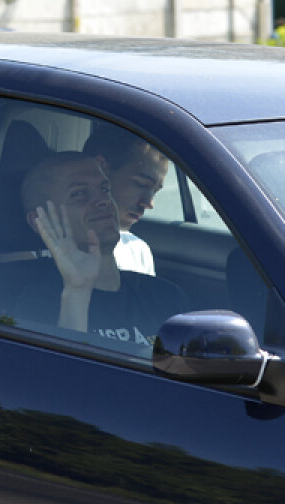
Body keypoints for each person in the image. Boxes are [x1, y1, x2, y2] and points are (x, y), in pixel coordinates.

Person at [13, 151, 187, 350]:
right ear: (39, 221)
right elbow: (62, 376)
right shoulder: (36, 307)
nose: (104, 200)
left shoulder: (166, 297)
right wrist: (77, 290)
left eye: (105, 189)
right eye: (79, 194)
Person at [81, 122, 168, 275]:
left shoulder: (138, 251)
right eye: (141, 184)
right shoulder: (55, 248)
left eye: (155, 191)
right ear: (100, 168)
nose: (148, 203)